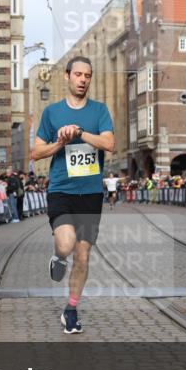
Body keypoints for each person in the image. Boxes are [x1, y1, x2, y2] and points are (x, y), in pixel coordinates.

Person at [31, 56, 114, 334]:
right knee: (66, 245)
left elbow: (109, 143)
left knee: (82, 256)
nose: (82, 80)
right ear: (67, 76)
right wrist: (60, 142)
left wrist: (81, 133)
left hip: (90, 194)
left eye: (87, 76)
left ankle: (71, 309)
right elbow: (36, 152)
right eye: (77, 74)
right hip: (61, 190)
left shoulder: (99, 110)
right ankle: (57, 256)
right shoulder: (52, 113)